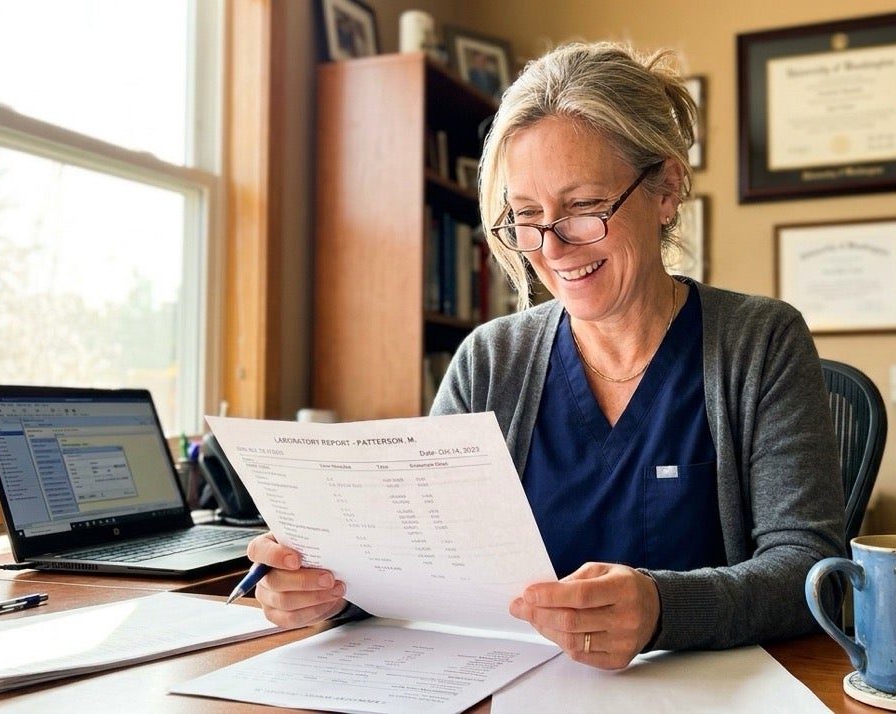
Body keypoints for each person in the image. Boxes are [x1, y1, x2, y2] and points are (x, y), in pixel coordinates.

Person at [246, 40, 845, 671]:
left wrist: (664, 608)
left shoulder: (760, 342)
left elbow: (811, 572)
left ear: (665, 189)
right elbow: (426, 563)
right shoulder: (489, 360)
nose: (552, 246)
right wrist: (331, 593)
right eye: (527, 216)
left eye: (584, 208)